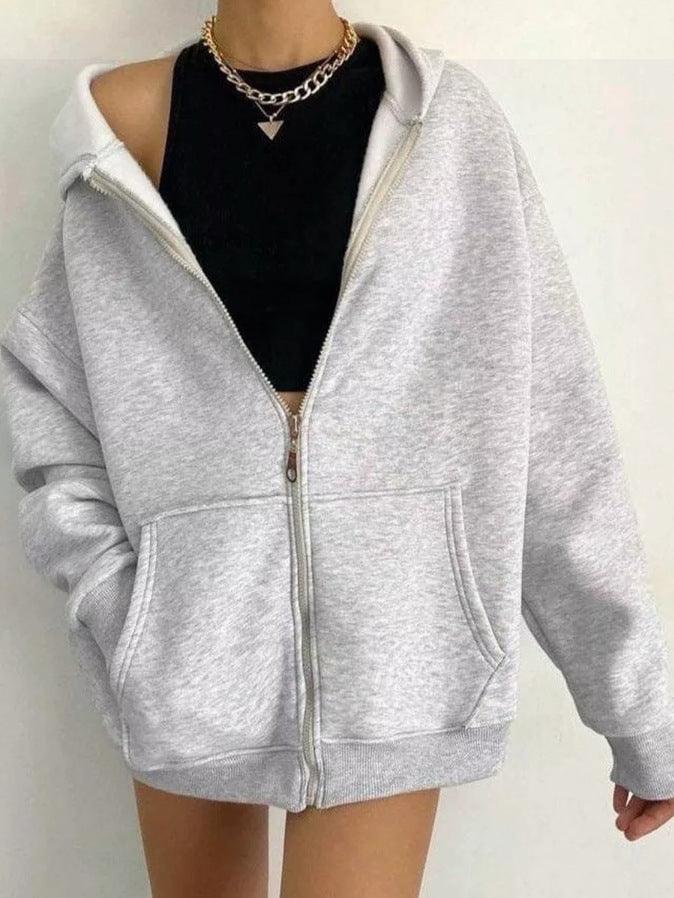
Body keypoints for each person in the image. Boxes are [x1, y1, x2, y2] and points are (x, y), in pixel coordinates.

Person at [1, 3, 673, 896]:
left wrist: (643, 712)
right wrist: (125, 610)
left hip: (393, 663)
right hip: (184, 652)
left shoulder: (447, 129)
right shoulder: (116, 130)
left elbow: (552, 432)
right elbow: (54, 407)